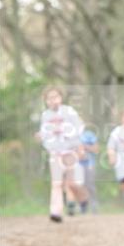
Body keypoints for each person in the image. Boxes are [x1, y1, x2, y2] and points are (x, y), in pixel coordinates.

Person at [37, 87, 88, 222]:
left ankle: (83, 199)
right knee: (57, 183)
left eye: (55, 97)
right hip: (55, 153)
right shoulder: (45, 115)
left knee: (73, 183)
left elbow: (79, 129)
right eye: (50, 98)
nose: (53, 101)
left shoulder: (69, 112)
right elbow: (45, 133)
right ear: (46, 101)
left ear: (61, 98)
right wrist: (41, 137)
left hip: (71, 150)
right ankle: (56, 212)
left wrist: (80, 147)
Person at [80, 124, 100, 214]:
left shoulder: (89, 135)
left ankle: (94, 205)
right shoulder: (69, 137)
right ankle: (81, 206)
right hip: (75, 165)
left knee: (89, 184)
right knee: (78, 185)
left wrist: (85, 147)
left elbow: (96, 149)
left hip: (89, 163)